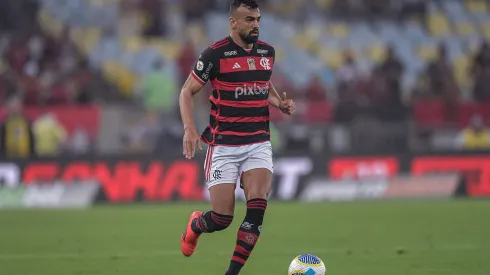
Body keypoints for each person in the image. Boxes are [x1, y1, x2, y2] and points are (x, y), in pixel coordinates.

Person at [178, 1, 295, 274]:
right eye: (249, 19)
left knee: (257, 206)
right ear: (233, 22)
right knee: (222, 218)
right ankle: (196, 225)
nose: (255, 24)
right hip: (223, 145)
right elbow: (186, 91)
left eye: (258, 19)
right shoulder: (215, 55)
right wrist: (189, 128)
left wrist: (279, 103)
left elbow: (262, 82)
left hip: (258, 142)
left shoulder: (267, 52)